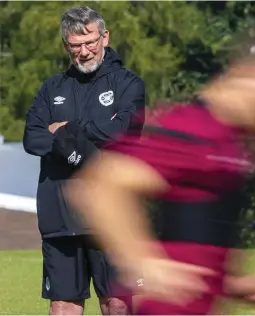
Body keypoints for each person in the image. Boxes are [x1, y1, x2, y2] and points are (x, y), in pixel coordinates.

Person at [65, 27, 255, 314]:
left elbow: (194, 243)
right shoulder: (194, 129)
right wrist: (142, 259)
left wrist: (238, 286)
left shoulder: (235, 144)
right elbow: (99, 187)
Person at [22, 6, 145, 315]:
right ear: (67, 46)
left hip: (112, 215)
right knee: (63, 305)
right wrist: (85, 138)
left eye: (90, 42)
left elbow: (121, 131)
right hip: (61, 216)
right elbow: (32, 138)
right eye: (76, 45)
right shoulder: (52, 88)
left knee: (117, 302)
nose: (85, 51)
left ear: (105, 37)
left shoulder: (128, 84)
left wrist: (63, 131)